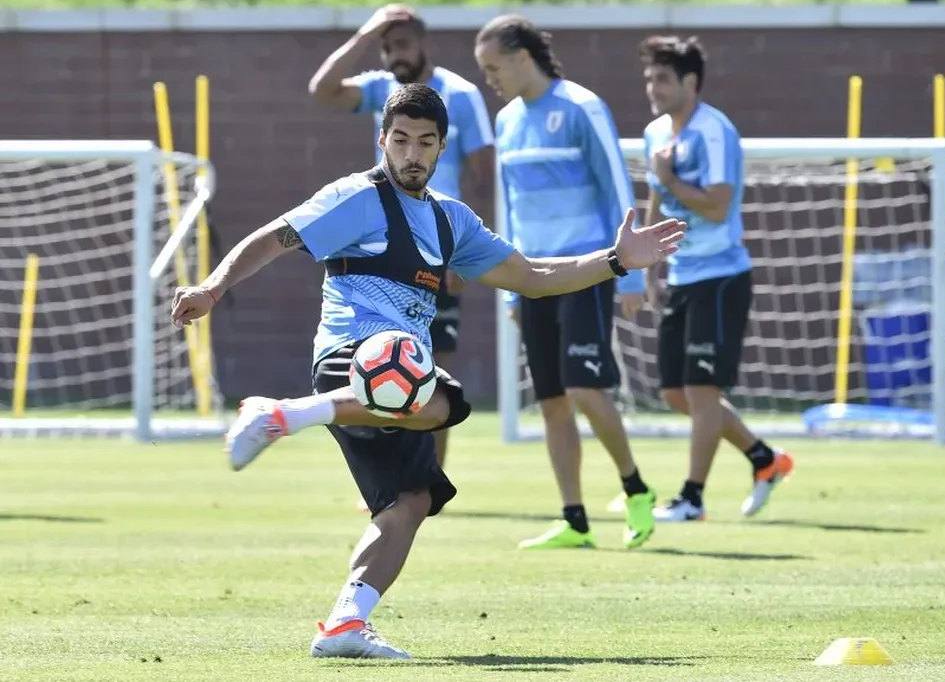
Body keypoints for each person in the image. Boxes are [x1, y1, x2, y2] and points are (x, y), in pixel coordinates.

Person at [170, 84, 685, 659]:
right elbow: (276, 236)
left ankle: (345, 623)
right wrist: (213, 288)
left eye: (425, 142)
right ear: (382, 140)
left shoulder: (451, 221)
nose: (411, 154)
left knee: (412, 497)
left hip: (400, 381)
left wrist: (615, 261)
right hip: (348, 358)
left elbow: (535, 275)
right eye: (400, 140)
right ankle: (283, 413)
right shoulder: (355, 198)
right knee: (433, 392)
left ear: (442, 149)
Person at [473, 15, 658, 551]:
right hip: (533, 278)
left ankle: (635, 487)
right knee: (551, 399)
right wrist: (510, 284)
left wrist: (627, 276)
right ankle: (575, 520)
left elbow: (616, 185)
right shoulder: (506, 121)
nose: (490, 78)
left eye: (494, 67)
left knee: (584, 387)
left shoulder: (582, 107)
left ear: (522, 57)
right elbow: (508, 208)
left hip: (590, 270)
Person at [308, 4, 494, 503]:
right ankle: (397, 478)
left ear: (422, 42)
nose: (394, 56)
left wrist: (462, 253)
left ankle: (431, 478)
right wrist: (365, 33)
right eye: (387, 48)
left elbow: (484, 171)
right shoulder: (379, 87)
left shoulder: (461, 95)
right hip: (389, 250)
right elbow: (322, 89)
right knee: (382, 364)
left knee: (433, 367)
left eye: (401, 46)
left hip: (441, 251)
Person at [635, 35, 794, 523]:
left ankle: (692, 498)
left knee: (702, 392)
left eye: (663, 79)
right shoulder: (654, 133)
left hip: (721, 276)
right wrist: (649, 263)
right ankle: (764, 459)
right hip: (682, 275)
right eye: (649, 78)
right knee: (674, 394)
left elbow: (719, 203)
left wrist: (669, 176)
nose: (653, 88)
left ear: (690, 82)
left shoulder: (715, 131)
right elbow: (657, 203)